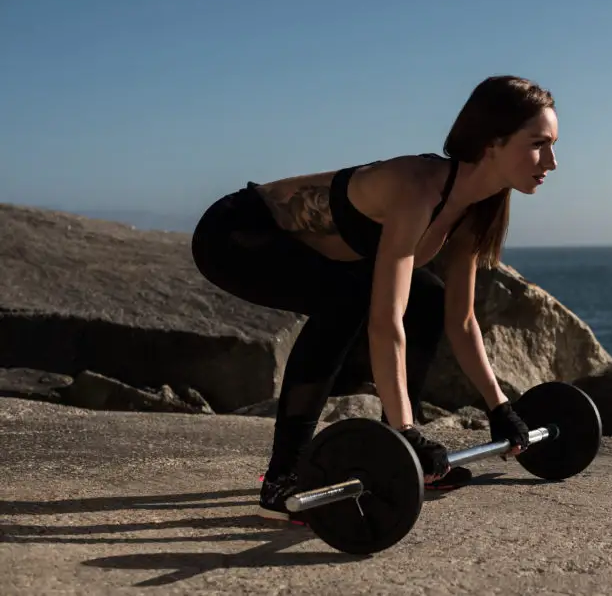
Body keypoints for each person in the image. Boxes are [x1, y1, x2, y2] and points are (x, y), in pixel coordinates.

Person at [190, 75, 559, 521]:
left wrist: (500, 408)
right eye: (539, 144)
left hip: (307, 253)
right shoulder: (417, 188)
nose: (552, 162)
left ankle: (396, 452)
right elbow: (385, 321)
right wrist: (409, 433)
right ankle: (284, 476)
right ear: (492, 142)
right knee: (345, 300)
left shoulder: (476, 207)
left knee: (428, 301)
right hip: (234, 235)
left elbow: (460, 321)